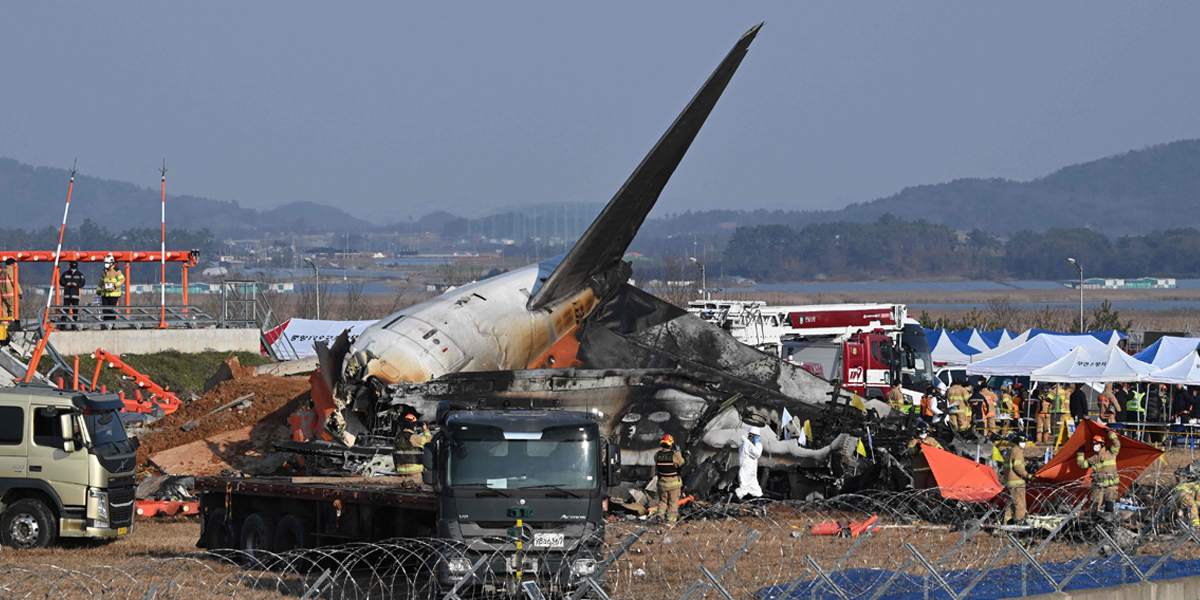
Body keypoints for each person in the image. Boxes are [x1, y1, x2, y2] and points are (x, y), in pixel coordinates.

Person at [1076, 431, 1121, 514]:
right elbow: (1082, 465)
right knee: (1094, 508)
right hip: (1098, 486)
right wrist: (1080, 453)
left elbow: (1117, 443)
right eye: (1094, 444)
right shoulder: (1093, 458)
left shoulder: (1111, 453)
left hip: (1111, 486)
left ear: (1102, 444)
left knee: (1109, 508)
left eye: (1097, 444)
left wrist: (1110, 433)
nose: (1095, 446)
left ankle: (1108, 525)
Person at [392, 413, 431, 486]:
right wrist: (425, 429)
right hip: (414, 473)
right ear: (414, 427)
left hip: (401, 473)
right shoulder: (413, 438)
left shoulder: (397, 438)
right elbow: (429, 441)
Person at [1002, 433, 1032, 524]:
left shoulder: (1010, 451)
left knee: (1010, 506)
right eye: (1022, 442)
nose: (1024, 444)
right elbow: (1018, 467)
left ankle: (1006, 525)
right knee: (1020, 505)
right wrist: (1028, 476)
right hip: (1017, 483)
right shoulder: (1017, 452)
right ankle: (1019, 525)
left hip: (1009, 482)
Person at [656, 434, 685, 523]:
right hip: (673, 483)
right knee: (673, 503)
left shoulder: (657, 455)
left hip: (662, 483)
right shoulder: (674, 456)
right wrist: (678, 451)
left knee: (663, 501)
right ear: (671, 445)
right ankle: (670, 522)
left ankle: (659, 516)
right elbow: (681, 463)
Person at [907, 422, 942, 489]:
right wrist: (917, 447)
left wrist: (932, 448)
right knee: (920, 492)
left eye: (925, 432)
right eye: (921, 432)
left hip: (931, 471)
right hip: (919, 471)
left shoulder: (931, 441)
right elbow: (911, 451)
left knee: (932, 492)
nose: (923, 434)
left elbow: (941, 450)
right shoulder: (913, 442)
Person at [735, 426, 764, 500]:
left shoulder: (747, 444)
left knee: (757, 491)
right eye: (757, 436)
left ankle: (759, 507)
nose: (757, 438)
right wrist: (758, 444)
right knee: (742, 491)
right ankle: (727, 502)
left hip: (751, 473)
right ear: (753, 436)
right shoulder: (747, 445)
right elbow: (757, 453)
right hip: (746, 472)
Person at [60, 261, 85, 330]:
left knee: (75, 311)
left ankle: (74, 325)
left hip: (75, 296)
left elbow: (82, 283)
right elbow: (61, 281)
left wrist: (76, 285)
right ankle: (62, 325)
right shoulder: (65, 274)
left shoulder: (80, 275)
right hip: (67, 295)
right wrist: (66, 283)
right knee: (65, 310)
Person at [99, 255, 125, 322]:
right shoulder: (103, 271)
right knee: (105, 310)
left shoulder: (116, 271)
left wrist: (115, 286)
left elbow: (122, 279)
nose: (106, 265)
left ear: (111, 263)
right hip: (105, 293)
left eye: (107, 263)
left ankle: (112, 324)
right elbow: (101, 281)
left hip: (113, 294)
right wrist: (99, 290)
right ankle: (106, 324)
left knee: (112, 310)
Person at [0, 258, 21, 323]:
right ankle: (12, 325)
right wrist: (20, 292)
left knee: (4, 310)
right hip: (11, 294)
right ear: (12, 264)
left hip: (3, 295)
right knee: (13, 309)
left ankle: (4, 325)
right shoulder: (10, 271)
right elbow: (14, 282)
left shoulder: (2, 272)